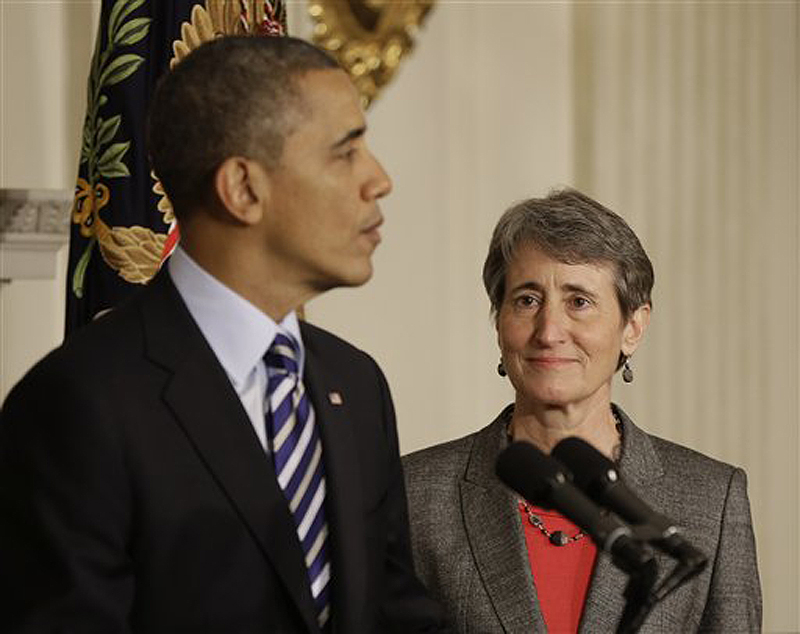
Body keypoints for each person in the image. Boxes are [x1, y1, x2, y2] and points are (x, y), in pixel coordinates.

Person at [0, 35, 447, 633]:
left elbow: (395, 616)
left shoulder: (356, 384)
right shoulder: (79, 403)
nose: (379, 180)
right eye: (346, 153)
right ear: (242, 188)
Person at [403, 189, 761, 632]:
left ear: (633, 326)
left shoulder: (712, 498)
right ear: (499, 323)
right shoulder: (415, 494)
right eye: (527, 300)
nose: (549, 331)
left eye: (579, 302)